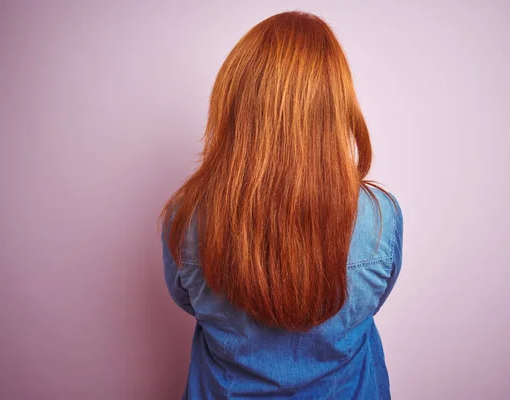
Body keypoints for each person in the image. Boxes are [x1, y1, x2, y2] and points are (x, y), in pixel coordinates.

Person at [159, 10, 403, 400]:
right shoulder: (380, 216)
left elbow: (187, 301)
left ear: (235, 101)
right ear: (335, 104)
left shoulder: (187, 218)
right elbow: (372, 302)